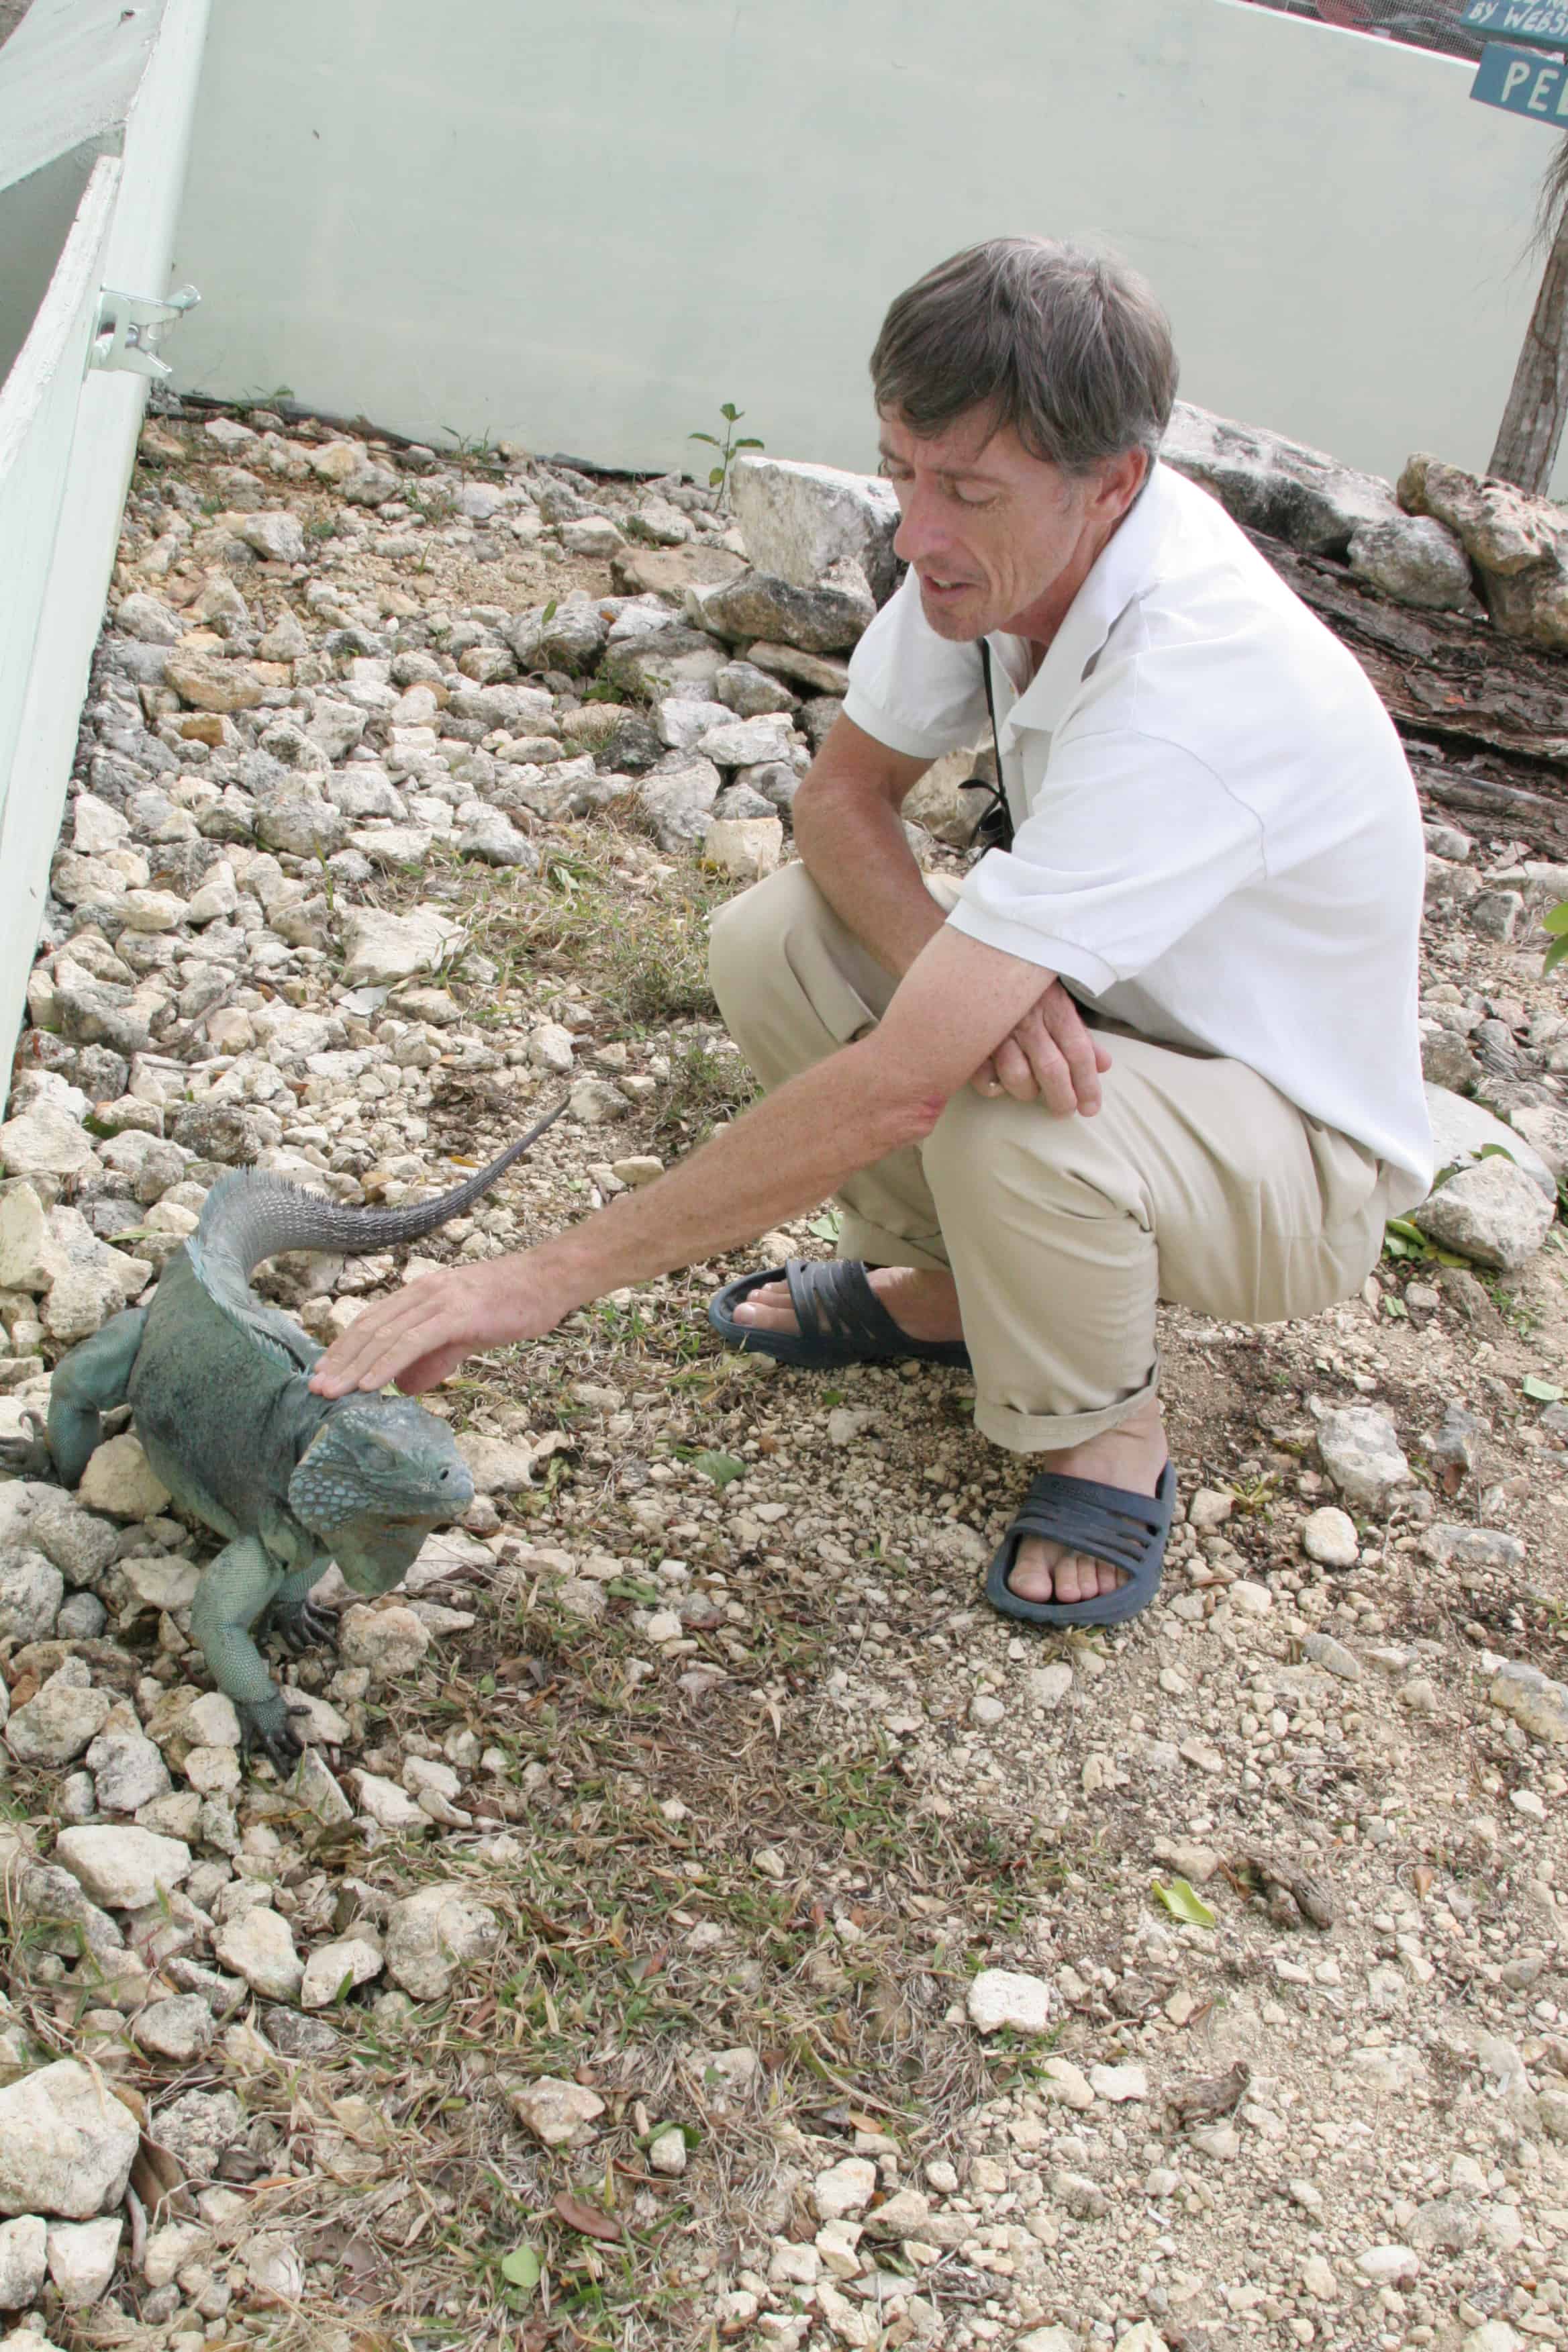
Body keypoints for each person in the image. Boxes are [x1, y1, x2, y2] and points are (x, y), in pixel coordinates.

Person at [311, 235, 1432, 1630]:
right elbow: (840, 800)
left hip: (1290, 1157)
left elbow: (908, 1078)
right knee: (777, 938)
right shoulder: (1002, 561)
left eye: (963, 490)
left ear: (1115, 484)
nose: (913, 534)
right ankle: (969, 1291)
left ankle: (1103, 1428)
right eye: (901, 468)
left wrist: (538, 1279)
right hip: (1120, 1033)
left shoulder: (1196, 681)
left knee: (1013, 1113)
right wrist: (963, 990)